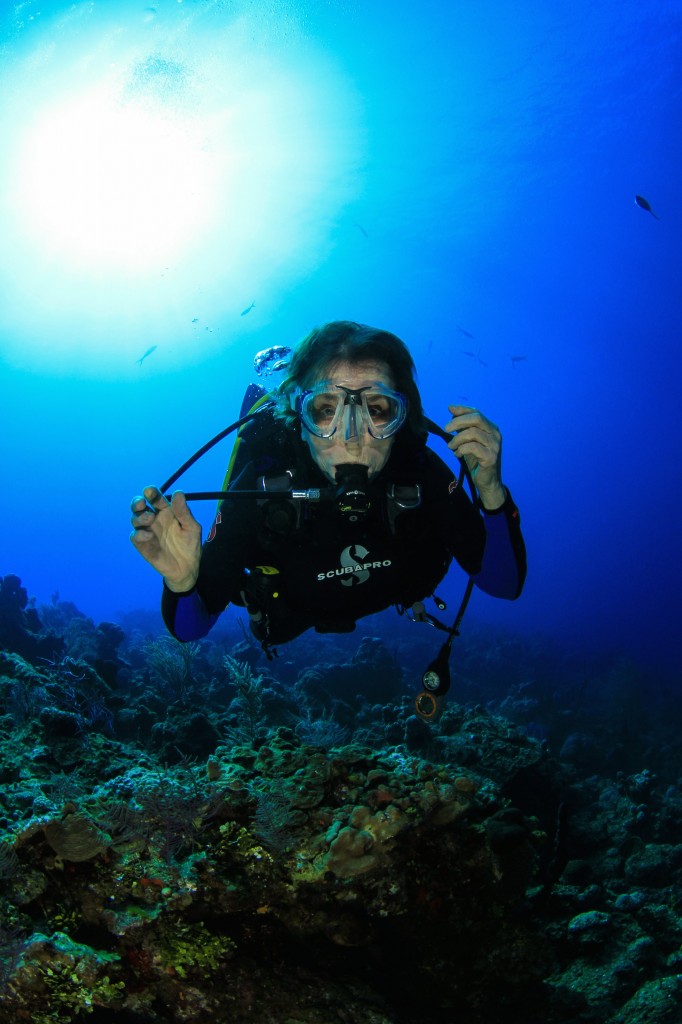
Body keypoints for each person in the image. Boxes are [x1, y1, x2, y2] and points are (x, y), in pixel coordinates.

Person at [130, 321, 526, 653]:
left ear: (401, 419)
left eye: (376, 409)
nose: (352, 438)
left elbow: (504, 585)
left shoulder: (421, 475)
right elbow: (190, 629)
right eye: (325, 410)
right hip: (289, 613)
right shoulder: (261, 489)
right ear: (299, 423)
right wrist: (181, 582)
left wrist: (491, 492)